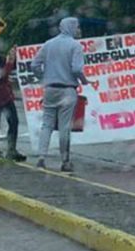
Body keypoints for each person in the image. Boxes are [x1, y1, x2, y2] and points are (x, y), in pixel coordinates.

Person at [33, 17, 90, 172]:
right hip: (67, 90)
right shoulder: (75, 46)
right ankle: (65, 161)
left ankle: (41, 157)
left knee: (47, 124)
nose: (78, 30)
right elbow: (77, 69)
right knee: (64, 127)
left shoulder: (48, 44)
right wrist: (84, 81)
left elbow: (34, 65)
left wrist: (43, 78)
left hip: (50, 89)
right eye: (77, 26)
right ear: (71, 27)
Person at [0, 47, 26, 161]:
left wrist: (14, 58)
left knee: (13, 122)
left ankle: (11, 149)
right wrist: (10, 62)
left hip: (5, 95)